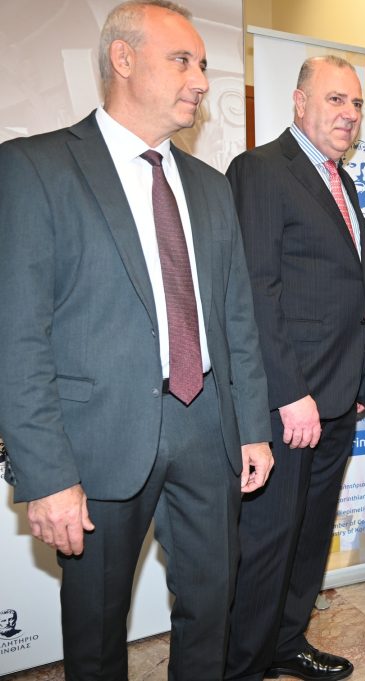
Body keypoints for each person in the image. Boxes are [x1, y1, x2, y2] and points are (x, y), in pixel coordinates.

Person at [0, 2, 274, 679]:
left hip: (208, 428)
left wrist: (253, 427)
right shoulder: (36, 168)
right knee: (95, 627)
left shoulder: (211, 187)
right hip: (96, 443)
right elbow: (18, 335)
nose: (201, 80)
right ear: (122, 59)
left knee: (211, 606)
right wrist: (47, 475)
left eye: (203, 64)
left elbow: (236, 317)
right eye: (182, 61)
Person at [224, 55, 365, 681]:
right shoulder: (262, 169)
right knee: (268, 544)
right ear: (299, 101)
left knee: (310, 537)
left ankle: (287, 643)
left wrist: (358, 384)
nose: (349, 114)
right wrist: (291, 394)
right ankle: (243, 666)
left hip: (337, 399)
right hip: (288, 405)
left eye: (356, 104)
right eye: (336, 99)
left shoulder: (341, 182)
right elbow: (255, 291)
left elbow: (349, 294)